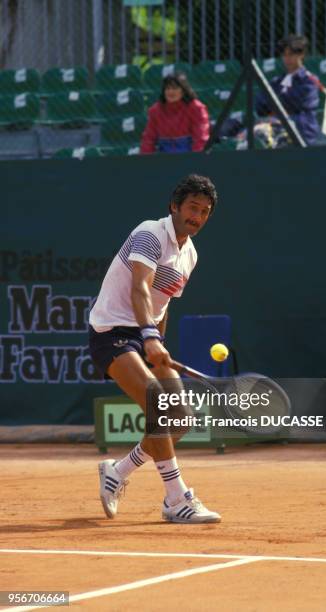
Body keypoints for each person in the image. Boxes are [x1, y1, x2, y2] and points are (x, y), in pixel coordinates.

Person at [88, 174, 221, 524]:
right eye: (192, 208)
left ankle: (118, 470)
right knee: (157, 407)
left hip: (146, 334)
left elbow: (163, 303)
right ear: (174, 206)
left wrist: (157, 342)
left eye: (205, 212)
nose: (198, 217)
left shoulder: (189, 254)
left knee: (180, 419)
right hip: (111, 331)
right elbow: (141, 289)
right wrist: (148, 336)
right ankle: (176, 500)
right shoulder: (150, 233)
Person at [255, 34, 320, 146]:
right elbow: (260, 105)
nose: (287, 59)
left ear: (301, 55)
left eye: (291, 55)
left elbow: (299, 106)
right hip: (276, 125)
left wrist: (275, 106)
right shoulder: (276, 81)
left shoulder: (309, 80)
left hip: (301, 130)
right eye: (284, 55)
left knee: (262, 131)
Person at [140, 72, 210, 154]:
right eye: (167, 88)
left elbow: (201, 138)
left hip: (189, 153)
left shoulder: (196, 108)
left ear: (183, 90)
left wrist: (197, 160)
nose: (170, 92)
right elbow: (148, 139)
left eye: (175, 88)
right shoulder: (155, 110)